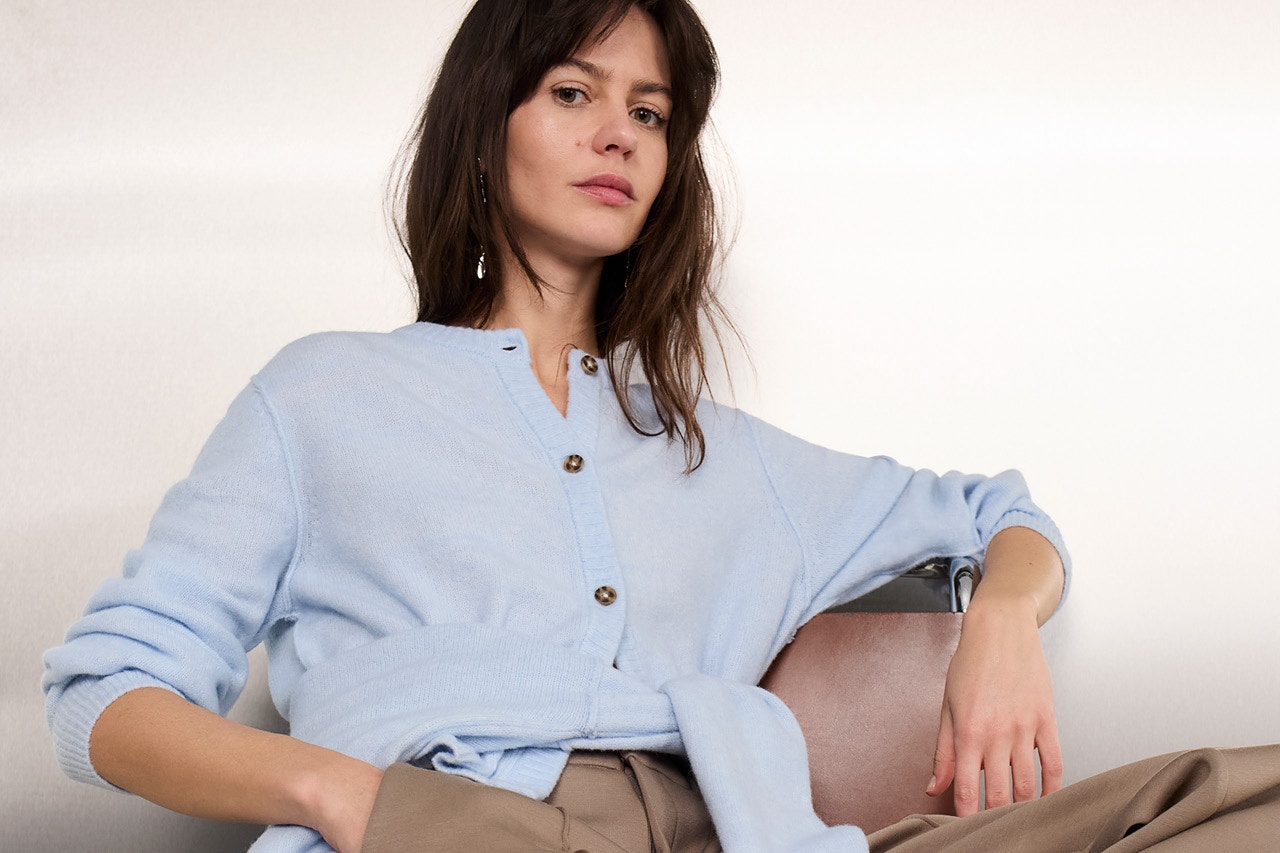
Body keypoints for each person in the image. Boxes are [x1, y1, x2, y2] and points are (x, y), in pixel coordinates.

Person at [41, 1, 1278, 852]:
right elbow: (105, 693)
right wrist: (337, 790)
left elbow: (997, 512)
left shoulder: (715, 450)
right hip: (460, 821)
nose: (618, 133)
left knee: (1233, 800)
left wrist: (1002, 614)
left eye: (650, 110)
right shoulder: (320, 397)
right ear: (489, 127)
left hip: (739, 824)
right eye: (573, 91)